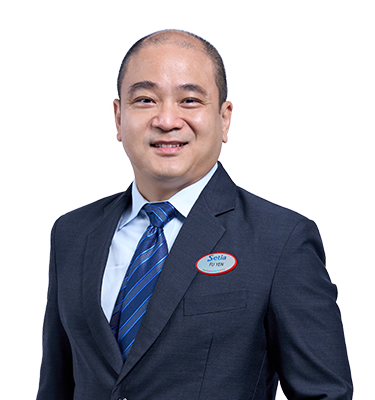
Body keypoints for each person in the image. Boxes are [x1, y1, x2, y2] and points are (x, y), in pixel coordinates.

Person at [36, 29, 353, 400]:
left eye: (189, 100)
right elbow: (55, 388)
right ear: (118, 117)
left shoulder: (280, 240)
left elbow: (325, 394)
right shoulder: (73, 233)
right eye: (145, 99)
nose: (167, 119)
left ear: (224, 118)